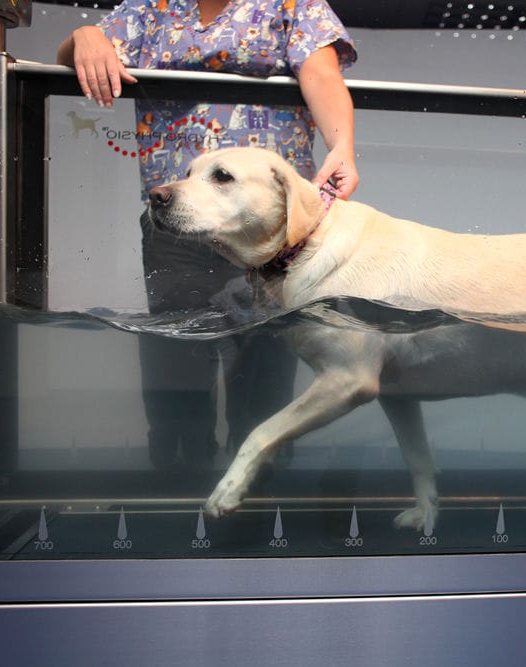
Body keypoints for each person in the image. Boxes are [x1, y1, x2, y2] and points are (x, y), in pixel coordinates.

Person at [57, 0, 358, 469]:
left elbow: (321, 75)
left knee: (264, 377)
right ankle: (177, 497)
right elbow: (77, 54)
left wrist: (343, 145)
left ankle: (256, 515)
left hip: (268, 234)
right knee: (175, 372)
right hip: (175, 227)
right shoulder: (150, 8)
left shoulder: (292, 5)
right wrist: (84, 35)